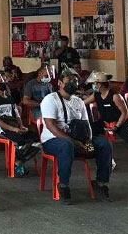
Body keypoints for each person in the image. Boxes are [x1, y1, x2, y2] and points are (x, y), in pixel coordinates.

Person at [40, 70, 113, 204]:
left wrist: (88, 141)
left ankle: (101, 183)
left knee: (104, 144)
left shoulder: (78, 101)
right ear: (60, 83)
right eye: (69, 81)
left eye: (75, 81)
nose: (73, 84)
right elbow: (51, 126)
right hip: (52, 140)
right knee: (66, 146)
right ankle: (63, 186)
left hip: (78, 139)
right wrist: (73, 141)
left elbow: (86, 124)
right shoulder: (50, 100)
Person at [0, 70, 40, 177]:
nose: (3, 83)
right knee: (21, 141)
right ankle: (17, 163)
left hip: (16, 127)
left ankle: (18, 162)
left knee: (37, 139)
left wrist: (21, 126)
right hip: (3, 129)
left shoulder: (10, 98)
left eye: (4, 81)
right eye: (0, 82)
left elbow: (17, 115)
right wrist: (13, 129)